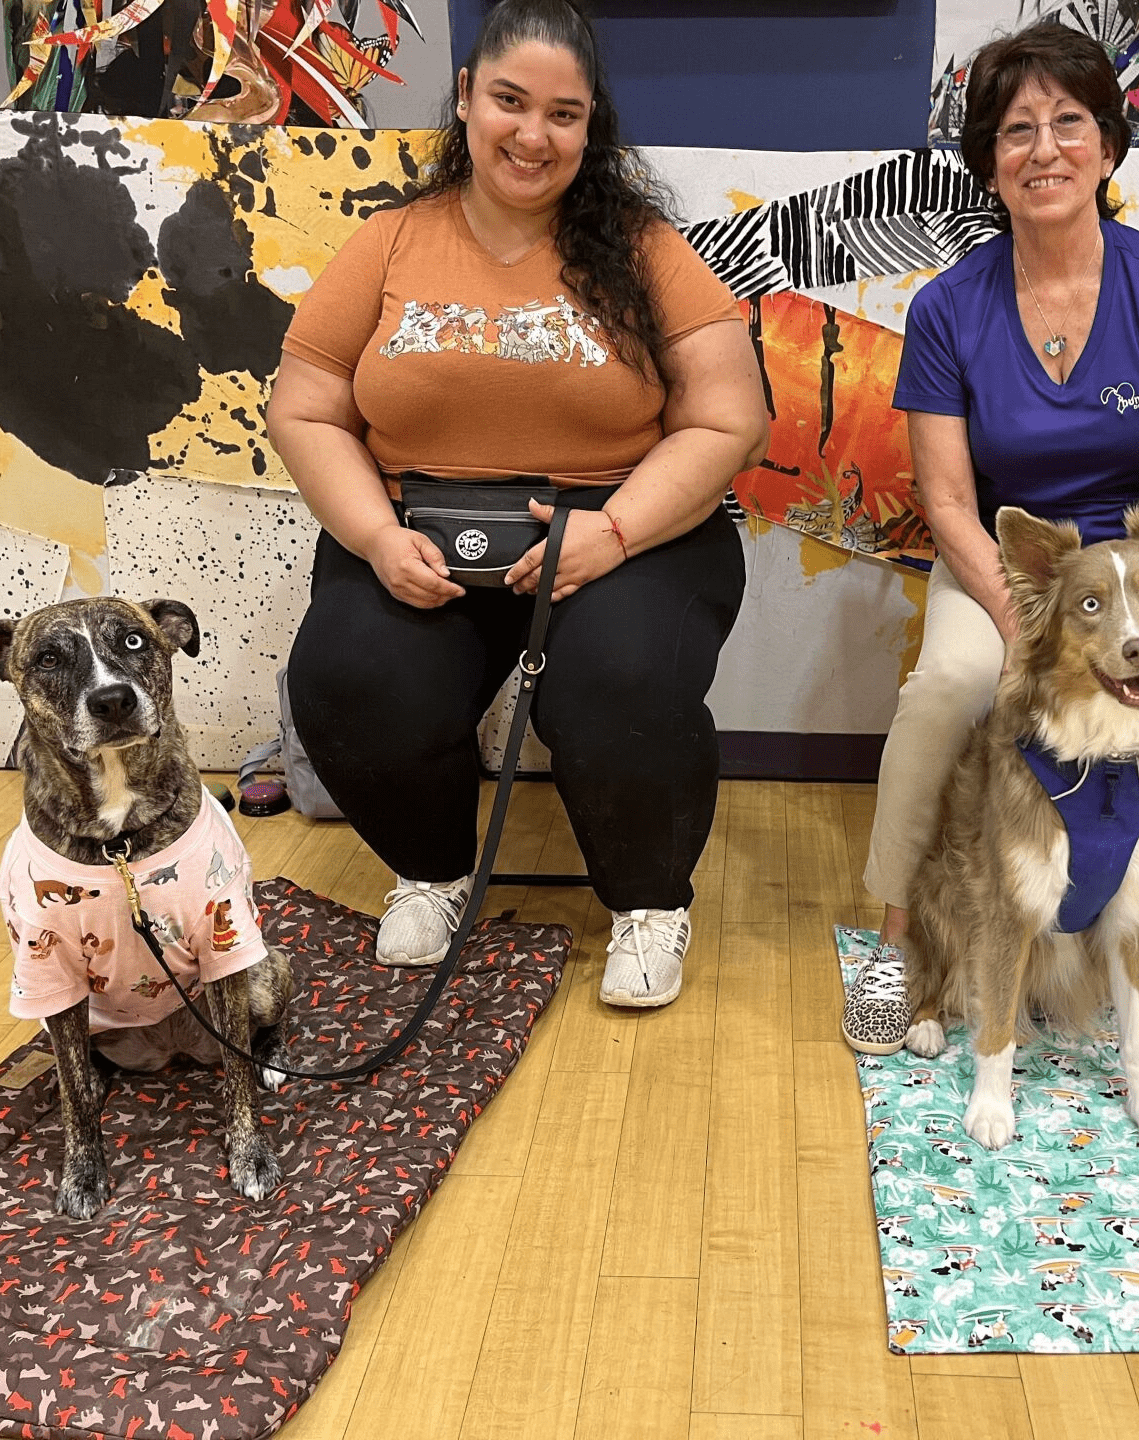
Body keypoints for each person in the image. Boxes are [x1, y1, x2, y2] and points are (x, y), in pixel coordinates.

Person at [266, 0, 769, 1009]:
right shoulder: (391, 242)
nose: (533, 135)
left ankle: (647, 901)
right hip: (419, 532)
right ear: (464, 99)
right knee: (346, 675)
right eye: (509, 101)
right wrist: (373, 535)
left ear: (591, 128)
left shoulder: (645, 249)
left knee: (615, 686)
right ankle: (433, 873)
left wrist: (615, 531)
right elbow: (306, 410)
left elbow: (729, 421)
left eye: (563, 114)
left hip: (624, 533)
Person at [841, 21, 1139, 1065]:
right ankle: (898, 935)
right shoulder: (946, 308)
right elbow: (946, 499)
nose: (1044, 149)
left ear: (1107, 146)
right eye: (1016, 130)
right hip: (1010, 569)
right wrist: (1031, 624)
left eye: (1068, 123)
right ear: (988, 161)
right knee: (948, 689)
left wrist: (1137, 622)